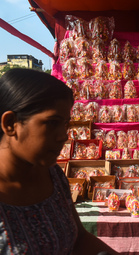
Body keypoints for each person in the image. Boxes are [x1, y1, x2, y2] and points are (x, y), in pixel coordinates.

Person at [0, 69, 117, 254]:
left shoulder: (53, 175)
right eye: (52, 122)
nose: (64, 136)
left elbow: (79, 239)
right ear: (10, 124)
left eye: (65, 124)